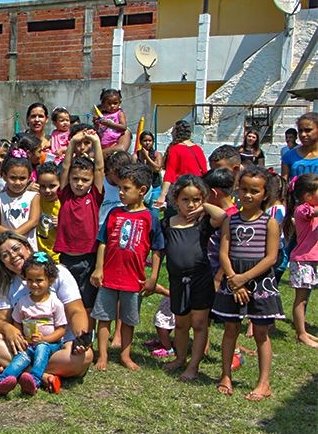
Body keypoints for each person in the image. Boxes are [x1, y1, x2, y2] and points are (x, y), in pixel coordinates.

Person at [0, 231, 94, 379]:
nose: (13, 255)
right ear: (2, 262)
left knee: (85, 356)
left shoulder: (58, 273)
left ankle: (20, 369)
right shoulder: (6, 285)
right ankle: (43, 375)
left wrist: (80, 338)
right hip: (26, 347)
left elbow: (76, 311)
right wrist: (8, 329)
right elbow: (0, 320)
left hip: (59, 346)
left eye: (16, 248)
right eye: (5, 255)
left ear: (27, 247)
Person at [213, 166, 285, 400]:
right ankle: (225, 375)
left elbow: (271, 257)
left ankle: (264, 383)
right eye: (244, 189)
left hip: (259, 281)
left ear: (265, 194)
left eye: (255, 191)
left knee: (261, 332)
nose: (248, 195)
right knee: (230, 328)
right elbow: (223, 253)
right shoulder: (230, 221)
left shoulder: (270, 222)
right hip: (233, 279)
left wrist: (245, 278)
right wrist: (235, 279)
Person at [91, 163, 163, 371]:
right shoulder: (114, 213)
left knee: (129, 319)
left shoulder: (151, 217)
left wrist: (153, 277)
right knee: (103, 317)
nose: (121, 192)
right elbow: (102, 241)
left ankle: (125, 355)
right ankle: (102, 356)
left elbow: (158, 249)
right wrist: (99, 268)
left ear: (142, 191)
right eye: (120, 188)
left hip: (134, 279)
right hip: (109, 277)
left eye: (126, 189)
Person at [154, 174, 227, 380]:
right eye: (185, 199)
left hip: (200, 279)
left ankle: (193, 366)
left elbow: (222, 216)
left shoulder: (203, 223)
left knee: (199, 323)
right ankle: (180, 358)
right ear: (176, 200)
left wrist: (205, 207)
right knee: (181, 322)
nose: (191, 204)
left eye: (196, 200)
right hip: (177, 280)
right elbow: (159, 249)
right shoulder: (167, 223)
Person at [0, 252, 66, 396]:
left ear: (50, 280)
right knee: (20, 359)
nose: (34, 284)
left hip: (50, 344)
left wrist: (45, 340)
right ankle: (3, 381)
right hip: (29, 344)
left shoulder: (55, 303)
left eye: (39, 280)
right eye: (30, 280)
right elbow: (17, 323)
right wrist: (21, 338)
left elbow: (61, 330)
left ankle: (34, 380)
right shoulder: (23, 302)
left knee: (42, 349)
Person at [54, 129, 105, 321]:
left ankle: (86, 338)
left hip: (88, 259)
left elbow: (99, 168)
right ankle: (69, 336)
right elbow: (65, 167)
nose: (79, 183)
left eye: (85, 180)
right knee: (66, 301)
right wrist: (72, 143)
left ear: (92, 181)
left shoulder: (94, 197)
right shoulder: (65, 194)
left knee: (88, 303)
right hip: (66, 258)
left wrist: (96, 142)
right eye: (76, 179)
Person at [283, 173, 318, 348]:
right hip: (302, 261)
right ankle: (301, 334)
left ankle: (302, 332)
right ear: (308, 196)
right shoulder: (302, 210)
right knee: (301, 300)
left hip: (309, 262)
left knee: (305, 298)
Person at [0, 150, 40, 248]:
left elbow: (33, 221)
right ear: (4, 177)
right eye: (13, 178)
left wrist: (14, 235)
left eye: (22, 178)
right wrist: (12, 237)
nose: (17, 182)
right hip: (7, 247)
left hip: (28, 247)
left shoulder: (33, 196)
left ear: (29, 177)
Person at [154, 120, 207, 210]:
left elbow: (170, 175)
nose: (171, 133)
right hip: (197, 190)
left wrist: (162, 195)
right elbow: (205, 172)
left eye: (173, 130)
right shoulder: (198, 149)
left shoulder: (175, 149)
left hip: (181, 190)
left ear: (177, 132)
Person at [92, 89, 131, 154]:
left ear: (119, 103)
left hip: (114, 143)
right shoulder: (103, 116)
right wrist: (96, 123)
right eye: (109, 103)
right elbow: (99, 129)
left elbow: (123, 127)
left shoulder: (120, 113)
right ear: (103, 104)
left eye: (115, 103)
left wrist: (109, 123)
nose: (112, 106)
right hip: (102, 143)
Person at [35, 162, 60, 261]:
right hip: (37, 255)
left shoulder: (64, 205)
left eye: (52, 186)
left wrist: (62, 225)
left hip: (57, 257)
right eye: (42, 186)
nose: (47, 190)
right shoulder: (35, 199)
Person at [282, 112, 318, 179]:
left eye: (308, 130)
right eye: (300, 131)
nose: (303, 134)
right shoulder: (289, 156)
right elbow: (284, 186)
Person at [134, 130, 163, 208]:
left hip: (154, 187)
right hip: (140, 188)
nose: (147, 143)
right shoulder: (136, 156)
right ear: (141, 142)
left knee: (154, 211)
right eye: (145, 140)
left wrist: (147, 157)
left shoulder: (157, 155)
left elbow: (157, 168)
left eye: (150, 140)